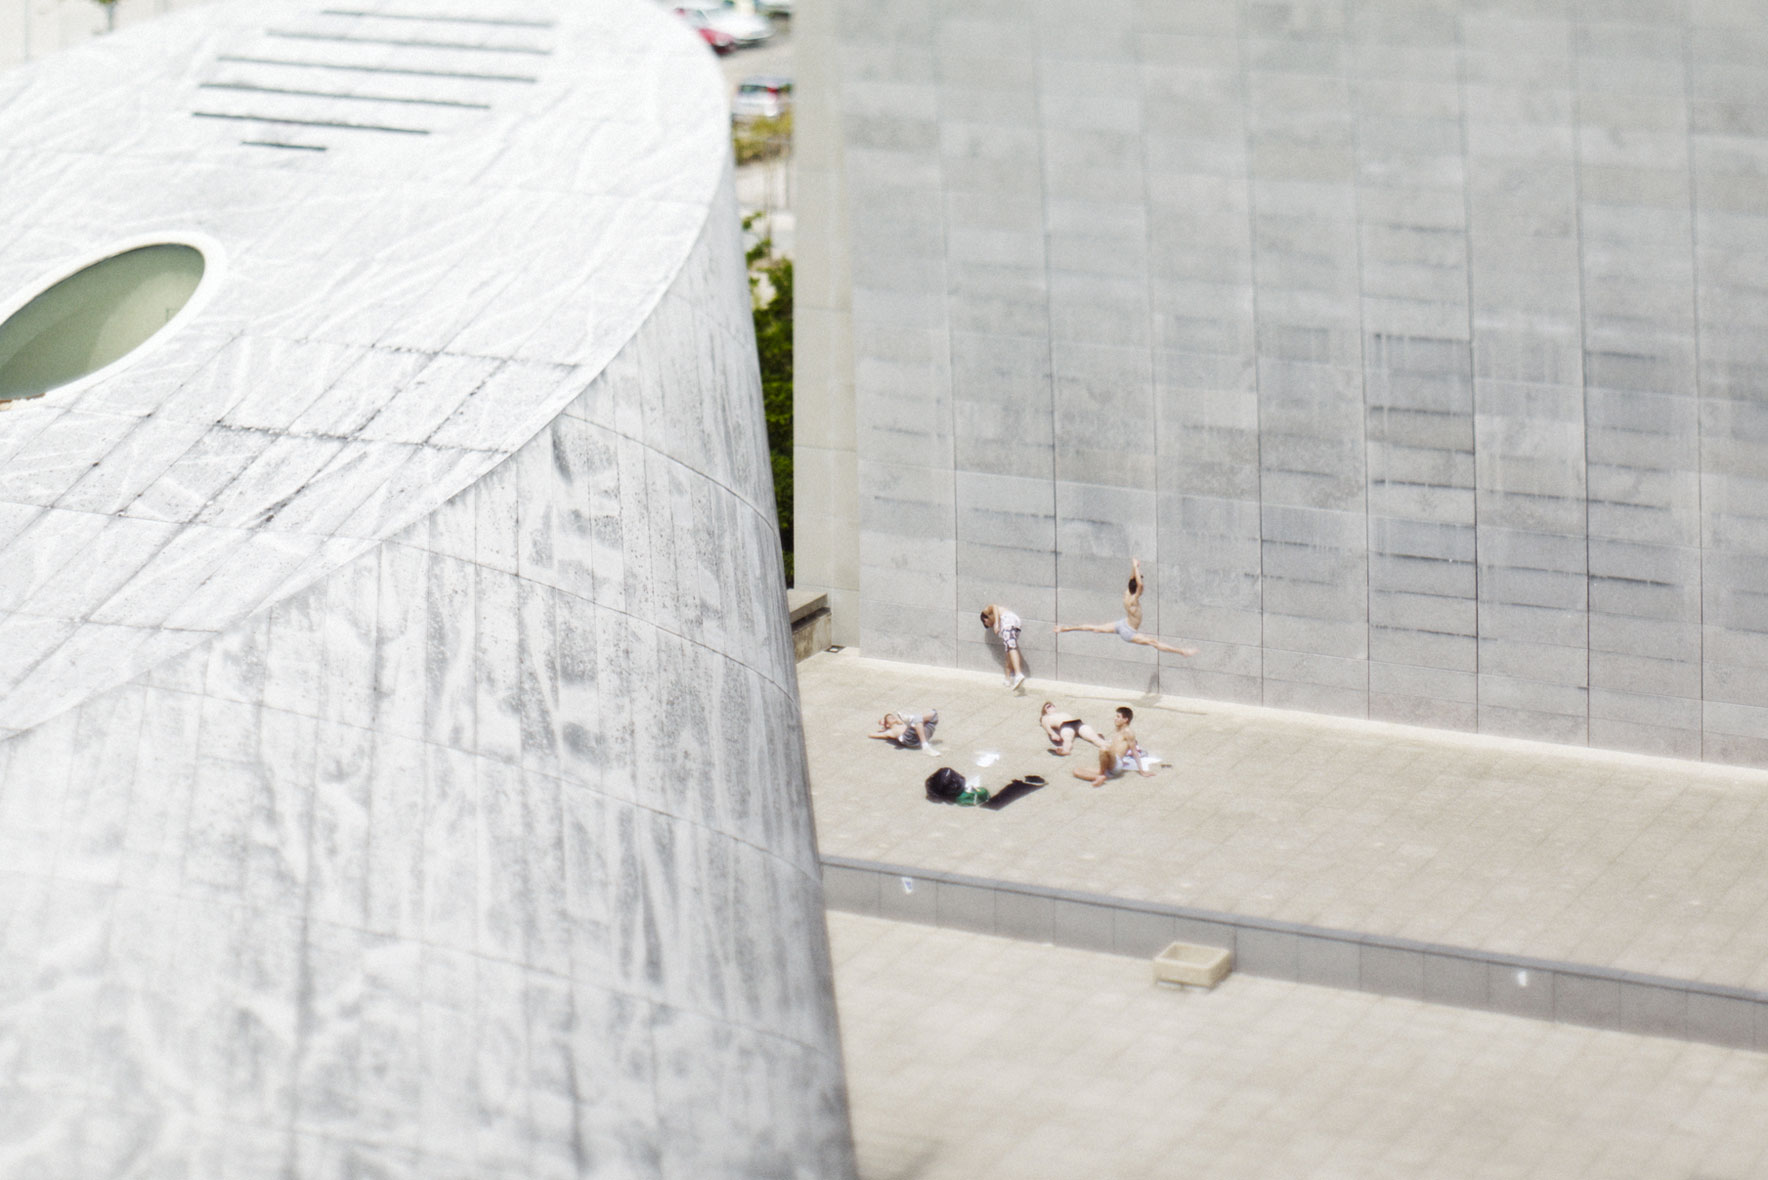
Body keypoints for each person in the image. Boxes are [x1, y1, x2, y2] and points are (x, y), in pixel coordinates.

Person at [1053, 557, 1197, 656]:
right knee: (1153, 642)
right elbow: (1140, 585)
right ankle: (1181, 651)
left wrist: (1134, 567)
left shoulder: (1127, 592)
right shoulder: (1134, 599)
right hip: (1129, 632)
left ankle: (1064, 628)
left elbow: (1133, 580)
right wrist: (1135, 566)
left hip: (1122, 624)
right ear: (1138, 589)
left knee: (1093, 628)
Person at [1071, 706, 1159, 787]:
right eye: (1115, 716)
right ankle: (1099, 777)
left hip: (1116, 764)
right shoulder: (1117, 729)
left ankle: (1101, 774)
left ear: (1125, 719)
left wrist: (1142, 771)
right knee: (1076, 770)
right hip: (1109, 762)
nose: (1115, 719)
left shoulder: (1128, 732)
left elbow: (1134, 752)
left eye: (1118, 717)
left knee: (1104, 748)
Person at [979, 603, 1026, 690]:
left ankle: (1018, 674)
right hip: (1014, 623)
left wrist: (996, 623)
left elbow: (994, 606)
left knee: (1011, 647)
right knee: (1009, 649)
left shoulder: (985, 612)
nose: (991, 626)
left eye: (989, 624)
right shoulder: (1002, 623)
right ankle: (1009, 677)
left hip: (1008, 620)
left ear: (985, 620)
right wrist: (1007, 678)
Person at [1038, 701, 1108, 756]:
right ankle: (1065, 750)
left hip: (1077, 723)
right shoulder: (1046, 717)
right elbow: (1046, 726)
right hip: (1065, 725)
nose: (1052, 707)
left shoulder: (1062, 713)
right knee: (1067, 740)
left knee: (1094, 737)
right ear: (1045, 711)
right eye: (1049, 706)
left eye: (1053, 705)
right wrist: (1053, 734)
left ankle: (1109, 747)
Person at [869, 710, 941, 756]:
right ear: (887, 724)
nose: (893, 717)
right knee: (916, 719)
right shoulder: (889, 731)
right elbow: (871, 734)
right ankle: (925, 747)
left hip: (920, 734)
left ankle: (911, 718)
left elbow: (902, 721)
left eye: (893, 716)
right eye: (890, 718)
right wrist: (883, 729)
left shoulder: (902, 723)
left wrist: (899, 720)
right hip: (909, 739)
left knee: (934, 714)